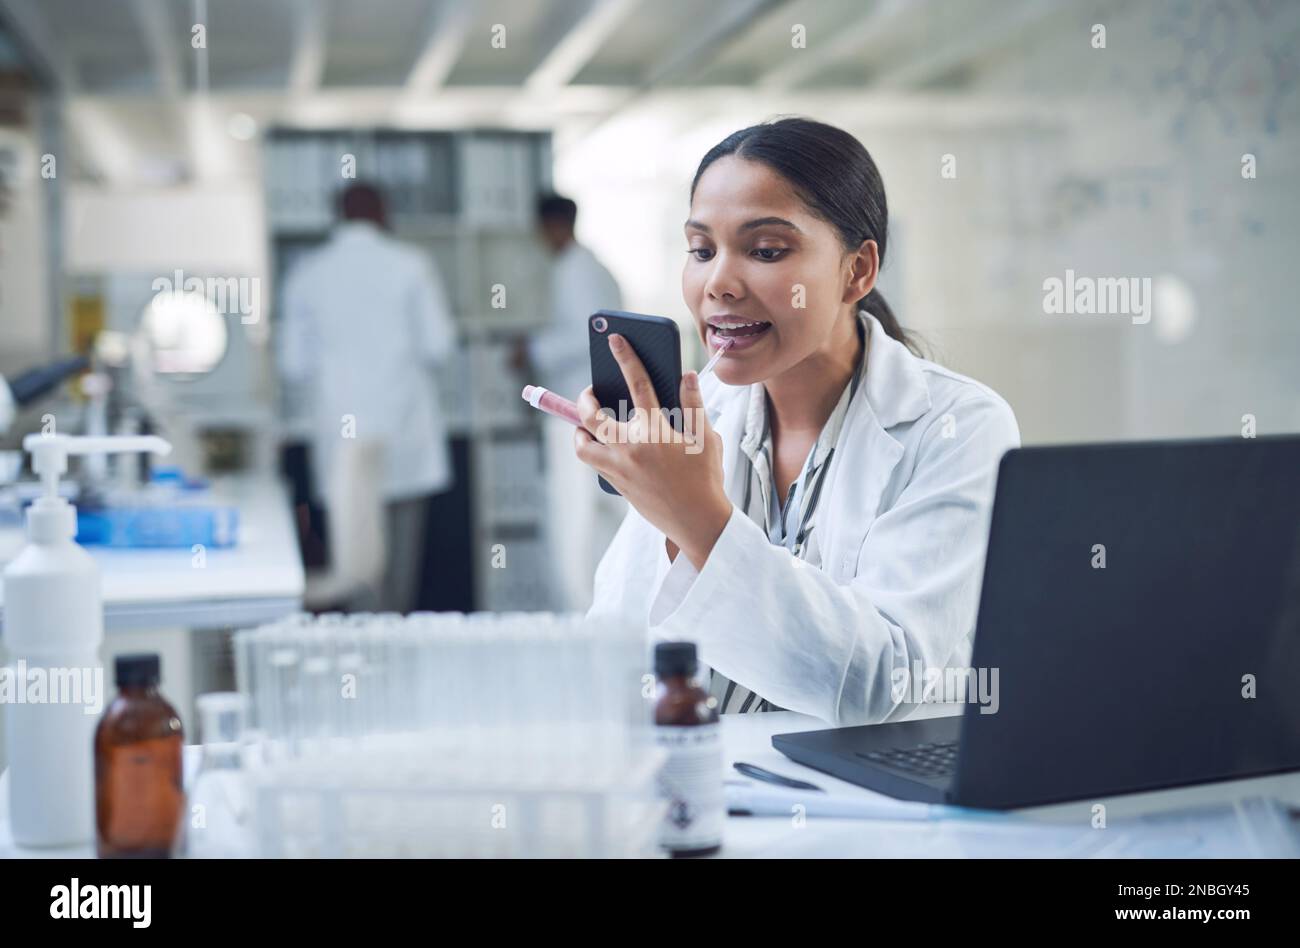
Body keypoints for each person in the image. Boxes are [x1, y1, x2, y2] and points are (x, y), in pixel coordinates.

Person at [579, 118, 1021, 726]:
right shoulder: (691, 417)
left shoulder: (959, 427)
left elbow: (882, 683)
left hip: (875, 810)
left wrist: (699, 521)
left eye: (765, 251)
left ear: (857, 271)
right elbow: (614, 653)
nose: (718, 283)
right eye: (702, 250)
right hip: (714, 788)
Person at [279, 182, 456, 613]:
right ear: (383, 214)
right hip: (404, 436)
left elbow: (292, 364)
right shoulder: (411, 265)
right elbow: (440, 346)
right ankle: (397, 648)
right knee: (399, 572)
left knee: (355, 564)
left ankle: (364, 657)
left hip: (343, 438)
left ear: (337, 215)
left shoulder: (308, 272)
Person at [516, 193, 626, 611]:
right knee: (598, 517)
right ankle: (594, 611)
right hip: (601, 410)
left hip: (575, 411)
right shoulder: (596, 267)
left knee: (570, 521)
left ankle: (577, 614)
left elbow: (588, 336)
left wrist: (531, 350)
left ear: (552, 225)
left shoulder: (573, 270)